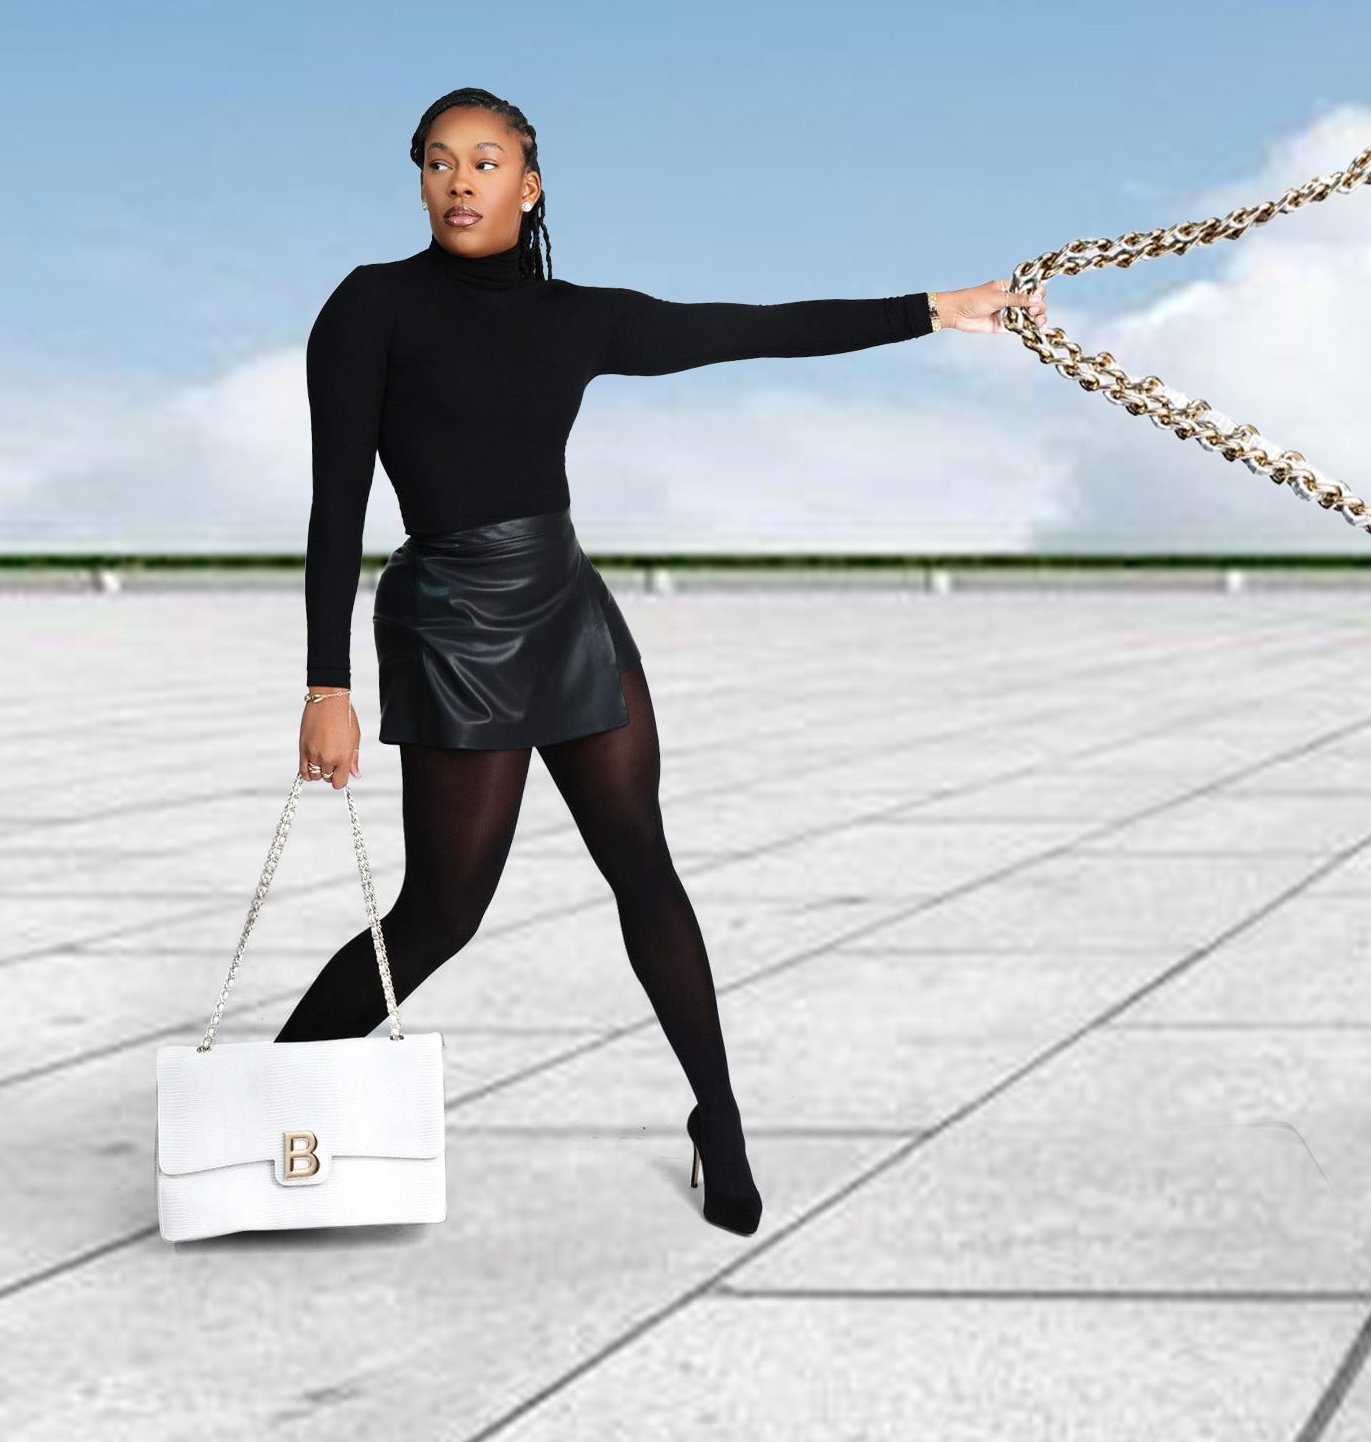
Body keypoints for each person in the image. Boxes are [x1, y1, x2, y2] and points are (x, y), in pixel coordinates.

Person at [273, 88, 1046, 1235]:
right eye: (438, 162)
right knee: (442, 908)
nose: (459, 181)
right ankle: (275, 1091)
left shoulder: (579, 318)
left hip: (566, 605)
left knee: (643, 862)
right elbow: (336, 502)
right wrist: (325, 684)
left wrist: (937, 310)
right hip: (450, 621)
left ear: (529, 183)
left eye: (486, 160)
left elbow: (756, 326)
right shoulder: (369, 306)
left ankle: (718, 1120)